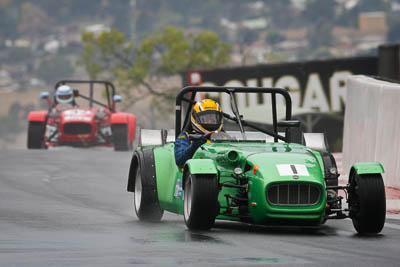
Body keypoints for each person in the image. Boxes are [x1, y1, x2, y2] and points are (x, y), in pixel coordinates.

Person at [174, 99, 223, 168]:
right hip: (193, 174)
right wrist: (194, 147)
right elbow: (180, 161)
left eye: (213, 119)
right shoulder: (186, 136)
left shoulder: (224, 137)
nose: (210, 122)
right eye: (206, 119)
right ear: (195, 118)